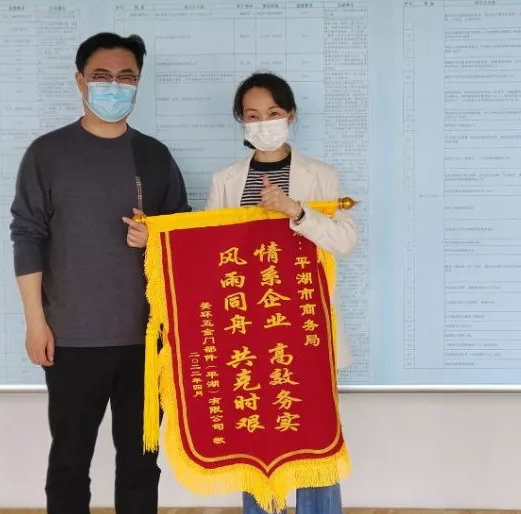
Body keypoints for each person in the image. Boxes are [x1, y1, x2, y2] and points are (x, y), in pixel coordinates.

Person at [9, 32, 191, 514]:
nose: (115, 86)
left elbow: (183, 238)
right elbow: (27, 236)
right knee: (70, 462)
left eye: (127, 78)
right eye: (102, 77)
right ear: (80, 81)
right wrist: (35, 322)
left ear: (139, 83)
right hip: (71, 339)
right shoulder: (48, 154)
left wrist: (155, 235)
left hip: (146, 340)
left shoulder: (154, 155)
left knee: (141, 464)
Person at [204, 72, 356, 514]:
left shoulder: (320, 175)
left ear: (290, 115)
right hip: (248, 330)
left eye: (272, 113)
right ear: (241, 121)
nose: (263, 122)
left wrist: (296, 211)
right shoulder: (225, 180)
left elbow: (345, 240)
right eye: (252, 115)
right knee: (258, 439)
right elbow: (209, 249)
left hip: (307, 327)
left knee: (315, 442)